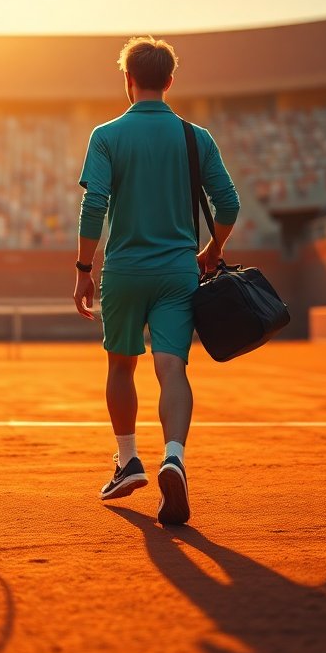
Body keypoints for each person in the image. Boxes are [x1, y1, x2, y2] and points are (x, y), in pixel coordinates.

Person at [73, 37, 240, 525]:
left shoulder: (106, 135)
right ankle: (174, 457)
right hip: (177, 272)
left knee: (121, 367)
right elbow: (228, 205)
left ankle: (127, 462)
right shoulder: (196, 137)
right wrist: (213, 250)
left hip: (123, 272)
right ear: (169, 81)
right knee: (172, 369)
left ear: (127, 80)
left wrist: (84, 270)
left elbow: (94, 205)